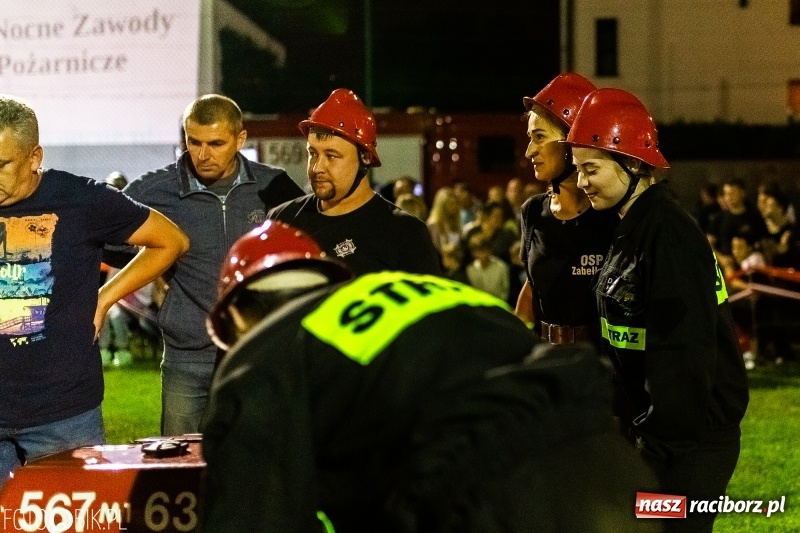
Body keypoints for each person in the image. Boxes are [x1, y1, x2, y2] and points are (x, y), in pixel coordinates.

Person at [200, 220, 660, 533]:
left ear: (238, 316)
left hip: (493, 498)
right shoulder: (414, 293)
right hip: (611, 464)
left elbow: (252, 517)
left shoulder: (263, 354)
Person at [567, 87, 750, 532]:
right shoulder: (632, 226)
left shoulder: (668, 236)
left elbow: (683, 361)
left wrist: (651, 455)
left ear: (633, 163)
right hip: (661, 438)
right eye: (577, 169)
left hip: (685, 449)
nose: (581, 182)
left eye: (591, 169)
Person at [0, 95, 189, 488]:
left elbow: (170, 240)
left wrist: (105, 298)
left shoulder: (81, 199)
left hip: (62, 417)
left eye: (2, 164)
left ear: (34, 157)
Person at [119, 94, 304, 436]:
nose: (203, 155)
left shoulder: (274, 187)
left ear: (240, 139)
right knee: (179, 461)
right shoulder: (156, 190)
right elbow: (110, 240)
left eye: (216, 144)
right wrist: (158, 263)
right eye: (194, 142)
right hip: (187, 356)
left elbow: (304, 250)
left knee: (249, 456)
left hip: (254, 352)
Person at [267, 88, 441, 276]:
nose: (317, 168)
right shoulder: (282, 221)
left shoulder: (406, 233)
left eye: (331, 156)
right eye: (313, 153)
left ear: (365, 157)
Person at [514, 72, 618, 349]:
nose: (529, 152)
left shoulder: (612, 214)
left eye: (539, 137)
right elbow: (532, 289)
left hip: (602, 361)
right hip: (549, 359)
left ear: (574, 140)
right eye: (530, 138)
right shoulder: (533, 212)